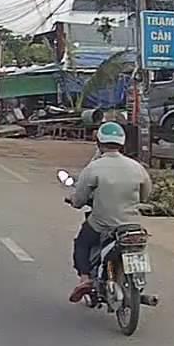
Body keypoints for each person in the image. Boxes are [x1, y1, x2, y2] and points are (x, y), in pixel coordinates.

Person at [66, 121, 152, 302]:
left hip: (102, 225)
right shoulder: (137, 167)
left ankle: (85, 279)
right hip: (131, 226)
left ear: (99, 143)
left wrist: (74, 201)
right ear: (122, 143)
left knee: (82, 243)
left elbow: (79, 199)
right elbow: (145, 196)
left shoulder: (93, 168)